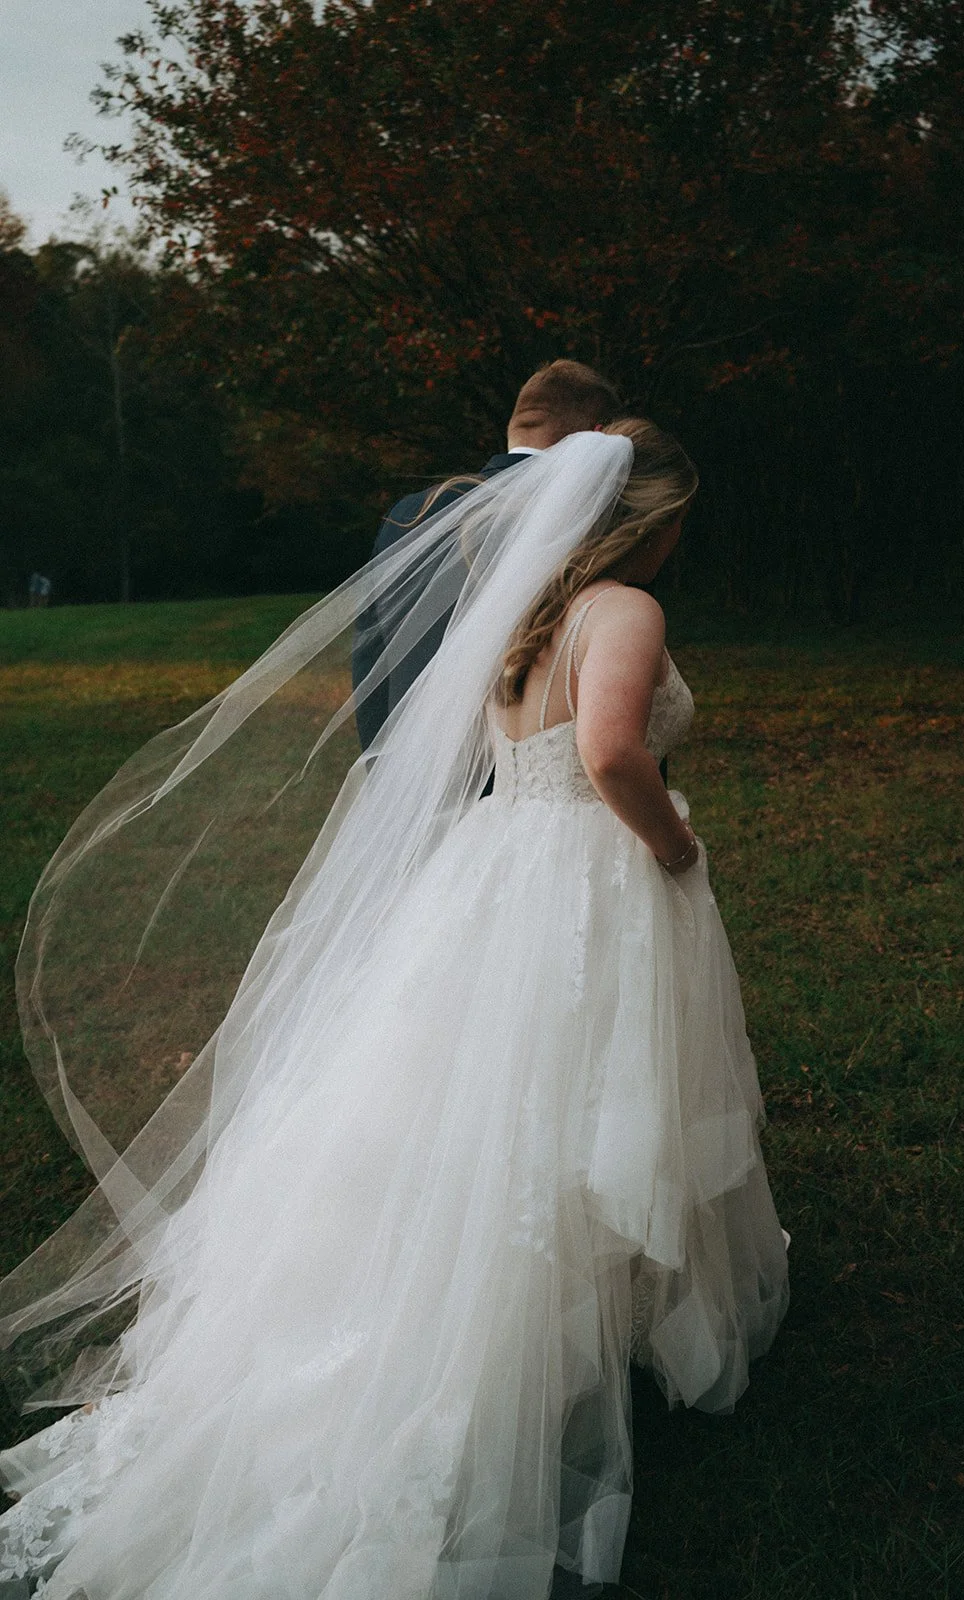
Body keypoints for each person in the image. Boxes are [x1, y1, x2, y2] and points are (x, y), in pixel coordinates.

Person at [0, 421, 789, 1599]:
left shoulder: (520, 613)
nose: (682, 541)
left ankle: (526, 1329)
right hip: (583, 871)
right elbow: (616, 751)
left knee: (464, 1110)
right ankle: (507, 1362)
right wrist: (674, 849)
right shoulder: (621, 612)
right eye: (680, 521)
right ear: (651, 522)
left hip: (494, 867)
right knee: (568, 1103)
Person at [355, 359, 621, 749]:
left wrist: (386, 774)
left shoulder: (410, 513)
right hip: (523, 783)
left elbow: (371, 653)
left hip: (415, 767)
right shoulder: (585, 521)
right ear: (599, 436)